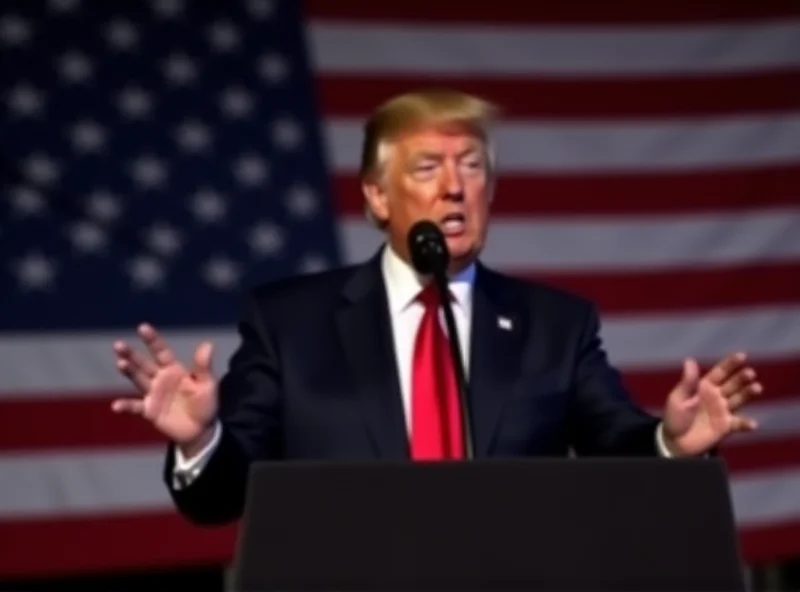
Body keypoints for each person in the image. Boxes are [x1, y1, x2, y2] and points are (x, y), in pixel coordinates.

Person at [110, 89, 764, 526]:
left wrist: (672, 443)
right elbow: (223, 496)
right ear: (377, 198)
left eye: (472, 167)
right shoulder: (291, 324)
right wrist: (200, 441)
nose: (454, 187)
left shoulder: (554, 327)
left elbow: (619, 451)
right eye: (427, 169)